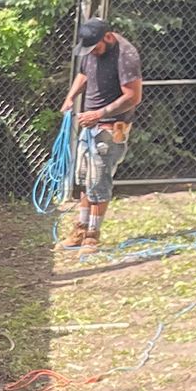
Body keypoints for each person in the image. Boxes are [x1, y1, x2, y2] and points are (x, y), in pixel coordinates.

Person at [60, 16, 143, 249]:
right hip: (90, 126)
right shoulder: (92, 51)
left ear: (107, 37)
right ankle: (80, 229)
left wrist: (99, 114)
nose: (92, 53)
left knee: (100, 181)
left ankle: (93, 234)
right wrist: (71, 97)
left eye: (95, 48)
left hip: (110, 127)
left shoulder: (126, 56)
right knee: (86, 179)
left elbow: (133, 97)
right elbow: (83, 74)